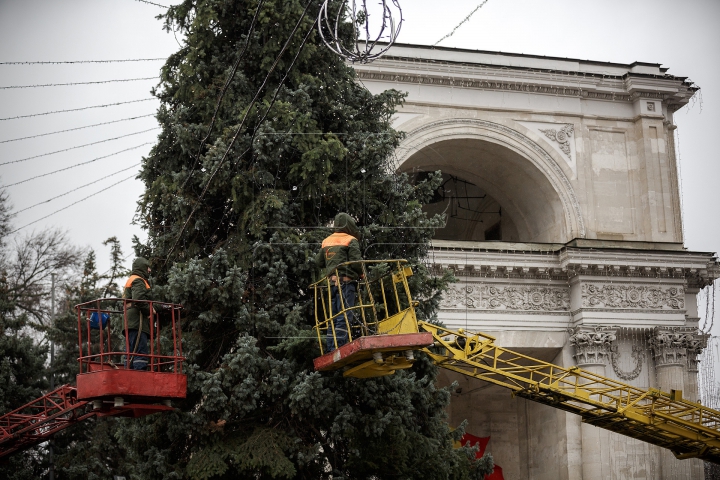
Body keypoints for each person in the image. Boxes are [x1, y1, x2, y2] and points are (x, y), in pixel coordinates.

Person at [315, 213, 363, 352]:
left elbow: (318, 262)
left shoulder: (326, 241)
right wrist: (361, 273)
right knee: (345, 315)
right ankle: (341, 347)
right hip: (347, 284)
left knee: (334, 317)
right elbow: (356, 262)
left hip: (332, 285)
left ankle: (331, 347)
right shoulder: (350, 239)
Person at [122, 257, 154, 370]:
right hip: (137, 321)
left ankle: (128, 372)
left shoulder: (131, 279)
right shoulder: (138, 280)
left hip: (130, 321)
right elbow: (139, 299)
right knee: (140, 349)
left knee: (130, 350)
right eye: (148, 267)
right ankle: (140, 374)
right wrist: (149, 310)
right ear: (142, 268)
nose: (149, 270)